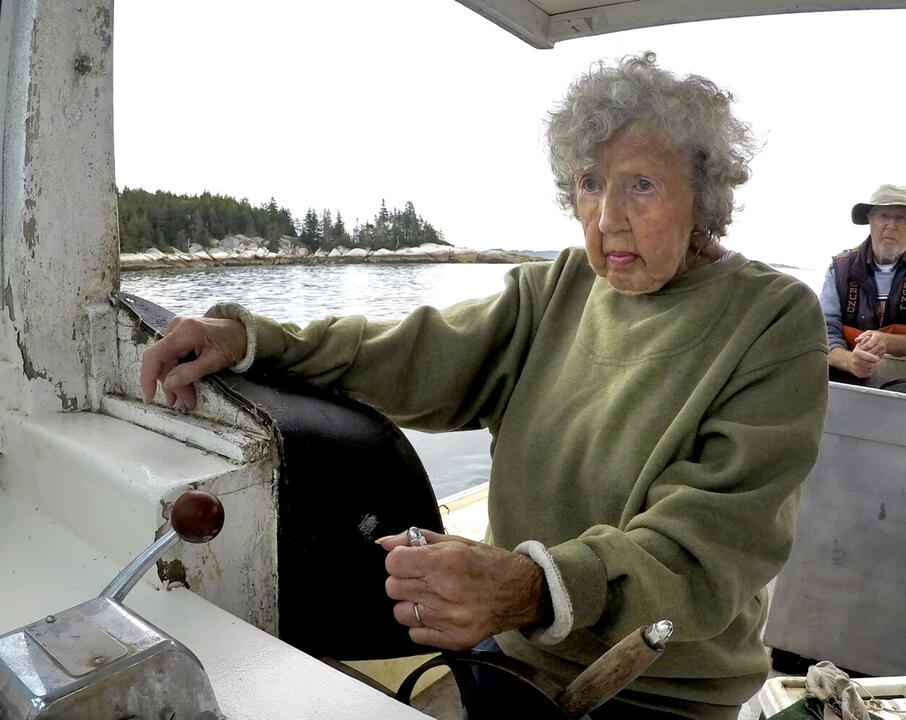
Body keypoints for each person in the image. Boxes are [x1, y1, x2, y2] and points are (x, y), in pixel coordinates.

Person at [140, 53, 828, 720]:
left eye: (641, 185)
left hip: (660, 689)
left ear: (703, 196)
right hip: (510, 653)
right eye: (591, 182)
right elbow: (407, 353)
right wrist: (254, 340)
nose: (608, 217)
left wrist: (533, 586)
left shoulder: (773, 319)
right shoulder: (557, 288)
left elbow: (709, 545)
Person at [819, 184, 906, 384]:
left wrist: (885, 342)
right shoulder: (839, 268)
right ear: (870, 220)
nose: (891, 225)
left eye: (901, 218)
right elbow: (822, 334)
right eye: (883, 216)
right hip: (846, 383)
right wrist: (850, 361)